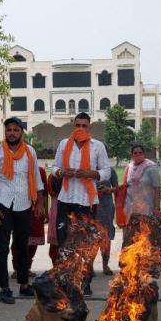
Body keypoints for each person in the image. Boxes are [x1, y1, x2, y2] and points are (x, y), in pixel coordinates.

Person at [0, 117, 45, 304]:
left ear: (21, 132)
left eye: (15, 130)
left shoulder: (30, 152)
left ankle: (24, 284)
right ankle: (4, 288)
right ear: (5, 132)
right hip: (2, 204)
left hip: (24, 203)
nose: (12, 133)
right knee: (2, 247)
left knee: (22, 246)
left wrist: (40, 202)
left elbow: (36, 177)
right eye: (9, 130)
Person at [52, 112, 111, 295]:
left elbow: (107, 171)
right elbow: (54, 168)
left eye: (84, 125)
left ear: (89, 128)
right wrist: (62, 173)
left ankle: (85, 283)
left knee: (85, 244)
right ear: (73, 126)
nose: (80, 128)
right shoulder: (64, 144)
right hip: (66, 199)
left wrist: (91, 174)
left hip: (87, 201)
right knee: (64, 242)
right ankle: (65, 283)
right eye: (77, 125)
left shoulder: (97, 146)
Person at [10, 166, 48, 278]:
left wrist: (44, 211)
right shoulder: (17, 168)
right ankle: (17, 268)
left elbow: (44, 194)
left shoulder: (40, 171)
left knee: (34, 240)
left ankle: (27, 267)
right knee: (18, 239)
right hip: (19, 208)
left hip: (36, 210)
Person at [122, 143, 161, 222]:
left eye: (140, 153)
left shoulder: (151, 168)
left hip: (146, 208)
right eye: (135, 153)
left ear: (144, 154)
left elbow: (157, 188)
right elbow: (125, 186)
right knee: (131, 233)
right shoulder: (129, 167)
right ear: (132, 155)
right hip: (131, 207)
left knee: (145, 232)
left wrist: (156, 207)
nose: (138, 155)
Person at [94, 166, 118, 275]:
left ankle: (105, 265)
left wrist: (108, 190)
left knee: (106, 237)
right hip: (91, 207)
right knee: (92, 238)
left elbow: (117, 188)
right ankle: (89, 266)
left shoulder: (110, 170)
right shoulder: (88, 169)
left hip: (107, 207)